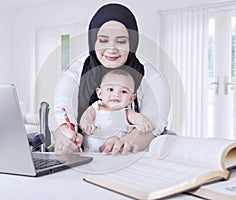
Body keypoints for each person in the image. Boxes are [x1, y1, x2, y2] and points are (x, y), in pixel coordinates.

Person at [53, 3, 170, 155]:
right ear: (93, 41)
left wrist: (125, 143)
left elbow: (154, 124)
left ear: (132, 43)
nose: (111, 49)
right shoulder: (73, 73)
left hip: (133, 161)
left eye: (121, 41)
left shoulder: (152, 78)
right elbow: (61, 117)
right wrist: (65, 137)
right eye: (103, 40)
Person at [79, 69, 156, 152]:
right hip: (89, 152)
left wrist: (144, 122)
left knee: (115, 141)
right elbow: (86, 117)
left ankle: (109, 147)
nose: (116, 94)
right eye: (111, 89)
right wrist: (86, 123)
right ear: (100, 93)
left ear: (131, 98)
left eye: (123, 91)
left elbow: (137, 117)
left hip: (115, 151)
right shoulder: (95, 108)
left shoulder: (126, 113)